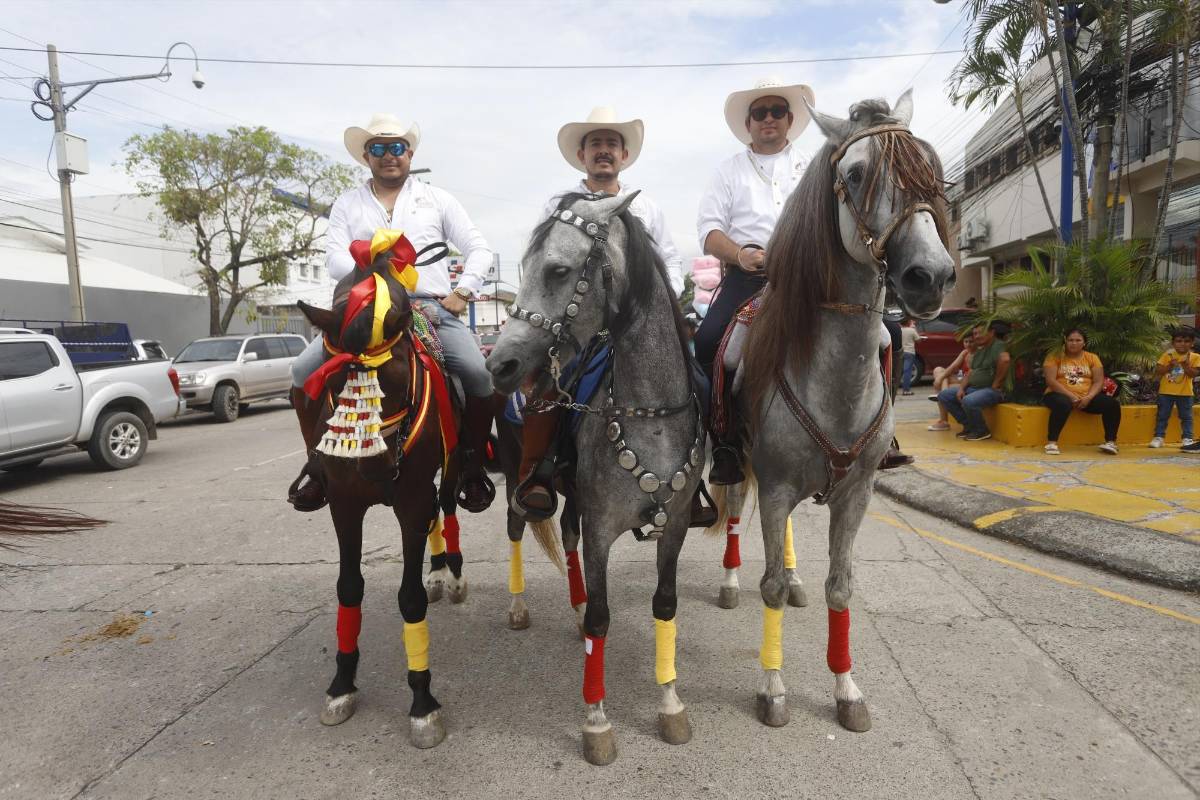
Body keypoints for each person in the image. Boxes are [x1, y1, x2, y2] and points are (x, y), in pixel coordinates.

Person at [287, 113, 497, 513]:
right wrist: (371, 263)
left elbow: (479, 248)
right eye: (379, 149)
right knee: (301, 371)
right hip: (363, 313)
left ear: (410, 153)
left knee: (477, 372)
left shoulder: (438, 199)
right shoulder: (348, 204)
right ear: (366, 156)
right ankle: (316, 462)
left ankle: (471, 461)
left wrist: (464, 290)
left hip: (428, 308)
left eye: (396, 148)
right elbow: (333, 257)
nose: (388, 156)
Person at [513, 106, 690, 519]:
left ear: (624, 155)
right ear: (582, 155)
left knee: (693, 373)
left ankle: (696, 473)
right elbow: (539, 260)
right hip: (581, 322)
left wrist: (659, 305)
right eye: (596, 144)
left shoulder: (646, 207)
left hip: (640, 326)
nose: (604, 151)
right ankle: (538, 473)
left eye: (612, 144)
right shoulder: (560, 204)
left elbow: (672, 263)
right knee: (548, 383)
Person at [694, 76, 814, 484]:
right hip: (749, 277)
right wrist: (741, 255)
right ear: (748, 123)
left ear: (789, 119)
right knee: (709, 341)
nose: (768, 119)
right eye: (759, 113)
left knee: (886, 332)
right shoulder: (727, 171)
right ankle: (724, 442)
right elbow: (710, 232)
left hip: (807, 276)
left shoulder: (816, 166)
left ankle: (880, 439)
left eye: (776, 111)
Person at [1042, 328, 1122, 455]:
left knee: (1111, 404)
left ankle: (1110, 442)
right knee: (1063, 404)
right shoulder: (1054, 356)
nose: (1074, 343)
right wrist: (1071, 396)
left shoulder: (1092, 358)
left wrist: (1089, 397)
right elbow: (1051, 381)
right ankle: (1052, 443)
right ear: (1065, 341)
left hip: (1085, 398)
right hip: (1057, 395)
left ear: (1084, 343)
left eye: (1078, 340)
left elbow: (1098, 381)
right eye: (1070, 340)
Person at [937, 321, 1011, 441]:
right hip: (974, 388)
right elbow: (971, 372)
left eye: (980, 333)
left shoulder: (998, 345)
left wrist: (997, 383)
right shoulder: (980, 350)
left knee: (969, 400)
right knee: (944, 395)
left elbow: (1005, 359)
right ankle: (969, 426)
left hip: (992, 390)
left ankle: (982, 431)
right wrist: (961, 388)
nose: (977, 336)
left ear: (992, 333)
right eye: (975, 333)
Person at [1149, 328, 1199, 448]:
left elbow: (1194, 374)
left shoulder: (1195, 357)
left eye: (1186, 341)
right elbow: (1159, 370)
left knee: (1186, 417)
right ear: (1173, 343)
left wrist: (1186, 366)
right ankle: (1159, 437)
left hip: (1186, 393)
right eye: (1179, 341)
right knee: (1162, 415)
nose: (1182, 344)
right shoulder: (1168, 355)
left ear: (1192, 343)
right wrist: (1169, 366)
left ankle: (1187, 438)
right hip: (1166, 392)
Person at [927, 332, 975, 431]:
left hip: (969, 383)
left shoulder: (977, 354)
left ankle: (943, 419)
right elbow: (953, 367)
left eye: (971, 342)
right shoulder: (965, 353)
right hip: (961, 380)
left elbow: (971, 376)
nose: (968, 344)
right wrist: (940, 378)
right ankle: (943, 393)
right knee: (939, 370)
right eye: (966, 342)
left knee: (942, 380)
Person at [900, 319, 924, 395]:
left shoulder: (899, 330)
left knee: (899, 371)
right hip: (910, 352)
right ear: (908, 322)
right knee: (907, 371)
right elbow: (918, 340)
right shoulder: (911, 330)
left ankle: (893, 390)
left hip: (900, 352)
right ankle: (906, 390)